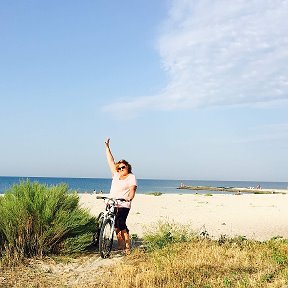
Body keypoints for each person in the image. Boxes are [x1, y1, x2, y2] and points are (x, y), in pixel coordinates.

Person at [104, 138, 137, 255]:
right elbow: (111, 161)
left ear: (128, 167)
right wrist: (107, 147)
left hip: (124, 203)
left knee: (121, 224)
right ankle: (120, 244)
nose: (121, 169)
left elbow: (133, 189)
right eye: (120, 168)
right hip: (112, 202)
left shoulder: (131, 176)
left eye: (124, 167)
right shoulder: (116, 175)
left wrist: (130, 197)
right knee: (115, 225)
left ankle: (127, 246)